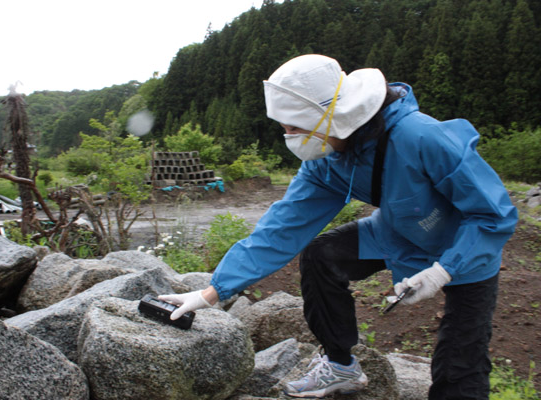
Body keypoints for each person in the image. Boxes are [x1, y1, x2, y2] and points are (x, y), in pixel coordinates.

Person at [159, 54, 517, 399]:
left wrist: (443, 271)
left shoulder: (422, 138)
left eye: (294, 127)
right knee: (321, 256)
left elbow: (493, 215)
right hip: (396, 233)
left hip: (467, 248)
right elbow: (282, 228)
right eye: (283, 127)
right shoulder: (327, 161)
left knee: (460, 361)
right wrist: (213, 291)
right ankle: (340, 365)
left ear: (329, 117)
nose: (288, 136)